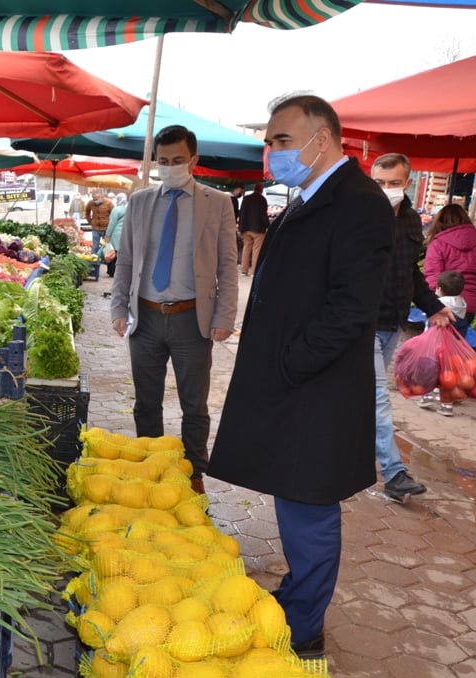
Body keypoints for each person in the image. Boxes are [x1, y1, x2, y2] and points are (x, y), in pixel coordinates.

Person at [208, 95, 394, 660]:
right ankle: (296, 596)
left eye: (282, 140)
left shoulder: (359, 203)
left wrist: (292, 362)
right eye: (269, 141)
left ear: (323, 138)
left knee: (309, 503)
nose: (272, 152)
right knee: (294, 497)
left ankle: (305, 626)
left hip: (318, 388)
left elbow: (351, 308)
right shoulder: (310, 197)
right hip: (296, 383)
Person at [110, 124, 239, 495]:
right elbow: (127, 260)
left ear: (194, 160)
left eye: (178, 160)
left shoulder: (218, 203)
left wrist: (224, 317)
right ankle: (152, 468)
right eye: (163, 161)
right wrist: (119, 308)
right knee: (145, 402)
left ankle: (194, 472)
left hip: (192, 320)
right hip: (145, 318)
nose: (170, 167)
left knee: (194, 405)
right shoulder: (139, 202)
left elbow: (227, 267)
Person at [369, 153, 452, 499]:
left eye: (392, 183)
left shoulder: (412, 222)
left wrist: (433, 307)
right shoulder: (358, 218)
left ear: (407, 183)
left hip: (394, 323)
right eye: (378, 183)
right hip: (362, 325)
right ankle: (394, 473)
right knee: (377, 398)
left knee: (361, 397)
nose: (386, 189)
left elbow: (411, 273)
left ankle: (334, 452)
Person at [418, 270, 470, 416]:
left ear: (439, 289)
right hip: (454, 350)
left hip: (436, 347)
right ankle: (446, 406)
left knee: (430, 370)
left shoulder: (439, 307)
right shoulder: (462, 306)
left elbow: (431, 326)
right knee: (448, 376)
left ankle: (427, 396)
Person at [423, 203, 476, 326]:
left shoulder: (438, 244)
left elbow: (433, 276)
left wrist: (431, 302)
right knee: (456, 342)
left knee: (437, 343)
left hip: (443, 304)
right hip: (470, 305)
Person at [238, 183, 269, 276]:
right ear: (261, 190)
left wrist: (241, 227)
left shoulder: (246, 198)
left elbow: (241, 213)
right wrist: (268, 225)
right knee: (257, 250)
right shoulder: (262, 199)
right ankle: (254, 272)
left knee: (246, 248)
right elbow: (263, 215)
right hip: (258, 229)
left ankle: (244, 270)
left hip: (246, 228)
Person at [101, 200, 127, 278]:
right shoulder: (130, 209)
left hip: (116, 234)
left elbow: (112, 224)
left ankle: (112, 271)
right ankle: (119, 272)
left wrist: (107, 235)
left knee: (112, 252)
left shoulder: (116, 210)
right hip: (125, 233)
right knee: (120, 254)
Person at [85, 188, 114, 254]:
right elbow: (87, 211)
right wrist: (90, 221)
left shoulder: (109, 203)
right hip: (95, 228)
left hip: (106, 229)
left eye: (97, 199)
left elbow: (113, 214)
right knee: (95, 246)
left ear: (102, 197)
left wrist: (110, 224)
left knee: (108, 246)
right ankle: (94, 262)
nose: (95, 200)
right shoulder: (91, 203)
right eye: (94, 199)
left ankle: (107, 261)